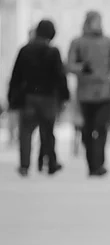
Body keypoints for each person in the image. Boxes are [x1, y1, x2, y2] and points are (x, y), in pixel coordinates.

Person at [8, 19, 70, 176]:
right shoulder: (53, 52)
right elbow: (59, 76)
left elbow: (16, 76)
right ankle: (50, 162)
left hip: (29, 96)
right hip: (48, 97)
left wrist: (12, 97)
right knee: (47, 131)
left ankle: (24, 165)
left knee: (26, 131)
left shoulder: (25, 50)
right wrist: (64, 96)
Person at [67, 10, 110, 177]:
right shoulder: (78, 42)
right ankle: (91, 163)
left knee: (101, 127)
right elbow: (69, 64)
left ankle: (99, 163)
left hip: (104, 93)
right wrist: (82, 68)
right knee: (87, 130)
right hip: (85, 93)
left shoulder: (108, 42)